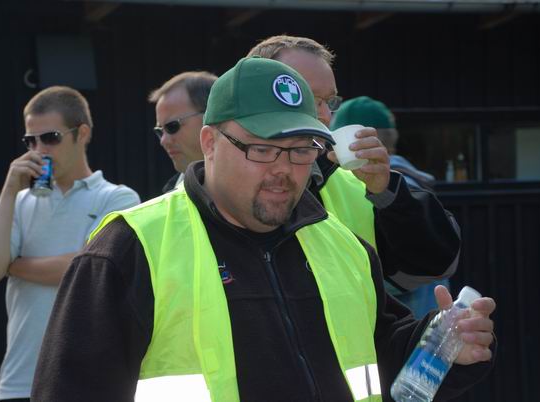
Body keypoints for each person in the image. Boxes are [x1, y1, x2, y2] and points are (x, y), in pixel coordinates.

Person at [32, 57, 495, 402]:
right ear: (210, 143)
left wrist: (443, 345)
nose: (284, 169)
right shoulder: (129, 249)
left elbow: (382, 364)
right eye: (262, 149)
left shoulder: (346, 248)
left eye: (301, 149)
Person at [247, 35, 460, 299]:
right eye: (308, 98)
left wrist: (388, 192)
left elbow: (434, 266)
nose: (325, 115)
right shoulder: (222, 186)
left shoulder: (355, 183)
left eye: (329, 101)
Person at [0, 86, 141, 402]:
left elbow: (87, 270)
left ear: (82, 133)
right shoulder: (16, 202)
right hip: (18, 382)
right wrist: (9, 190)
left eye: (50, 138)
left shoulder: (118, 198)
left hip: (84, 383)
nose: (39, 150)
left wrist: (14, 265)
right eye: (30, 141)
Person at [331, 95, 449, 318]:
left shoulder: (379, 187)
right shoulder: (410, 183)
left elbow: (404, 271)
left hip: (406, 327)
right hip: (429, 320)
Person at [148, 71, 218, 193]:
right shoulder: (169, 194)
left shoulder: (249, 187)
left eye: (172, 126)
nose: (163, 141)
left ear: (210, 118)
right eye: (160, 131)